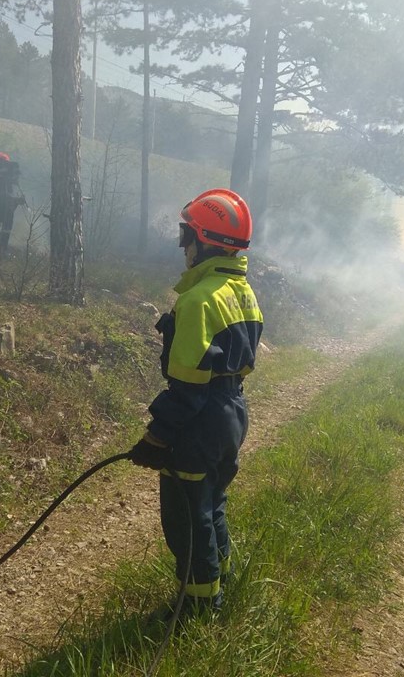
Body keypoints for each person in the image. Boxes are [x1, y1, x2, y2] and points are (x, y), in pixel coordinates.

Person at [127, 188, 263, 621]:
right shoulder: (242, 291)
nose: (182, 245)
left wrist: (157, 436)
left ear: (205, 242)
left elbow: (188, 387)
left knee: (187, 517)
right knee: (212, 502)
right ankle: (221, 578)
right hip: (232, 412)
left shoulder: (199, 299)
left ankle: (199, 607)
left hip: (201, 420)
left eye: (186, 235)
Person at [0, 152, 25, 258]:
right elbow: (6, 195)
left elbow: (7, 193)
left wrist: (17, 200)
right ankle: (1, 250)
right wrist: (17, 200)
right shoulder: (2, 172)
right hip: (2, 200)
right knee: (6, 224)